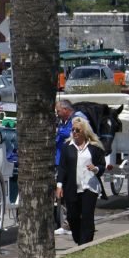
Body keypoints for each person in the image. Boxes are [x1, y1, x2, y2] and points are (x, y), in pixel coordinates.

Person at [56, 117, 106, 245]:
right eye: (73, 130)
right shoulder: (67, 147)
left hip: (90, 187)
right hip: (72, 187)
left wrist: (95, 169)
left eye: (77, 130)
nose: (74, 132)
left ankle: (86, 243)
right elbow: (62, 168)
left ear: (84, 131)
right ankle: (80, 241)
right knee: (72, 217)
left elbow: (102, 165)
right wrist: (59, 185)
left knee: (87, 216)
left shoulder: (94, 147)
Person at [54, 99, 88, 235]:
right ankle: (67, 223)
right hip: (61, 160)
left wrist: (58, 131)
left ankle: (73, 224)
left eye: (58, 111)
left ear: (65, 110)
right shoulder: (64, 121)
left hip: (73, 161)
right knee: (63, 194)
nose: (57, 113)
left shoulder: (78, 118)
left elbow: (77, 134)